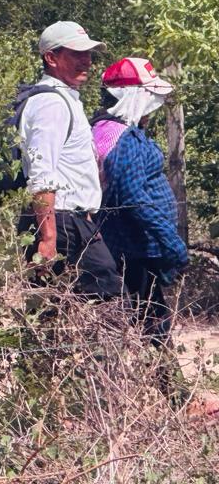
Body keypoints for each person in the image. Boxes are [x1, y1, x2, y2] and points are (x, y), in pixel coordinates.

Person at [92, 58, 188, 357]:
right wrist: (172, 243)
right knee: (153, 321)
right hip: (135, 247)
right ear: (134, 98)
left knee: (150, 318)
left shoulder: (105, 130)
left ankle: (166, 390)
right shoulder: (125, 140)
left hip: (130, 244)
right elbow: (133, 198)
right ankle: (170, 393)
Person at [18, 21, 121, 298]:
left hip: (71, 223)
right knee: (106, 299)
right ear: (51, 58)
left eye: (88, 53)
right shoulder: (50, 103)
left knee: (58, 311)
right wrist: (48, 238)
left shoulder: (64, 98)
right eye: (76, 53)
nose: (86, 60)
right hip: (61, 223)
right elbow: (42, 174)